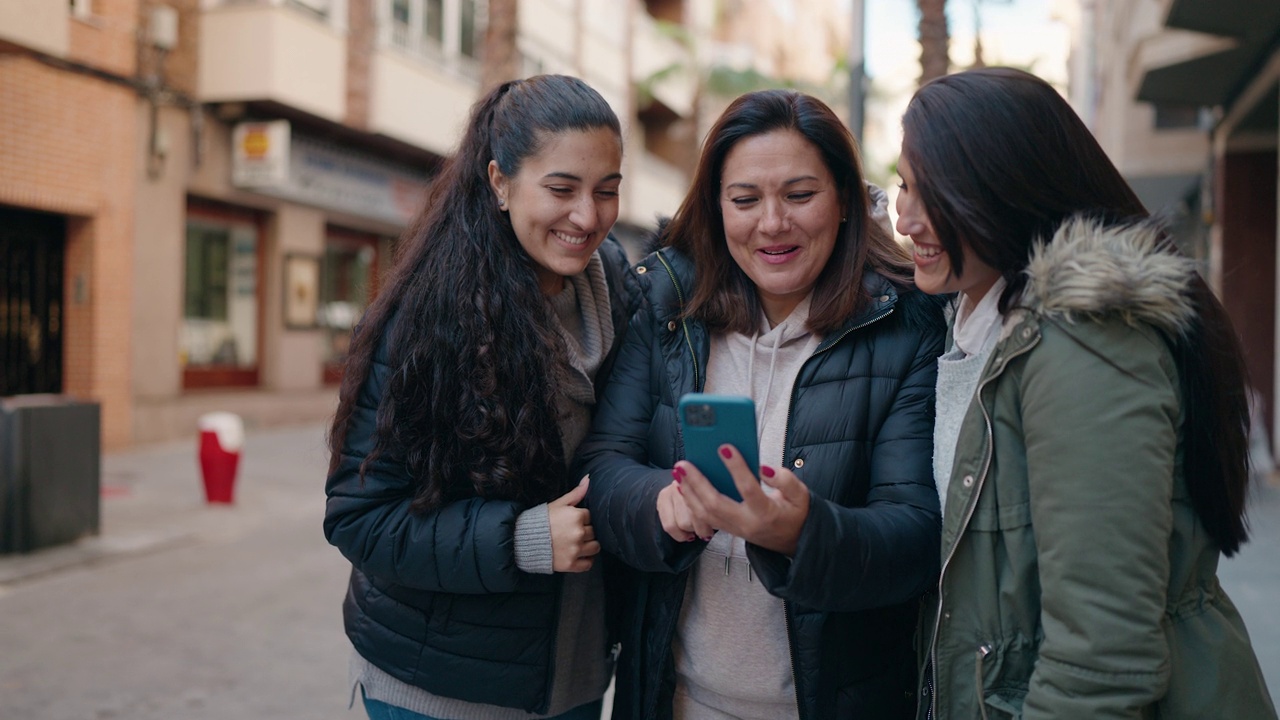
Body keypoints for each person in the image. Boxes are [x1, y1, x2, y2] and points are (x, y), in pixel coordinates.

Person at [897, 66, 1278, 720]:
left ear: (1004, 189)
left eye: (933, 192)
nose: (905, 218)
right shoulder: (977, 325)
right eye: (903, 185)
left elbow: (1102, 659)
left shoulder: (1084, 342)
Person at [576, 89, 947, 719]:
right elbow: (603, 464)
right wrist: (660, 506)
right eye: (745, 200)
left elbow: (914, 537)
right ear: (717, 207)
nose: (772, 223)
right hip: (674, 699)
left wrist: (804, 533)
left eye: (800, 196)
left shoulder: (905, 326)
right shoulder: (667, 309)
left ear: (845, 203)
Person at [323, 74, 640, 720]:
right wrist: (520, 540)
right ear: (499, 182)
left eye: (607, 191)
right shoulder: (425, 318)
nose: (588, 216)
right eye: (562, 189)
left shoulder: (623, 301)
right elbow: (360, 517)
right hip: (439, 691)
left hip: (573, 682)